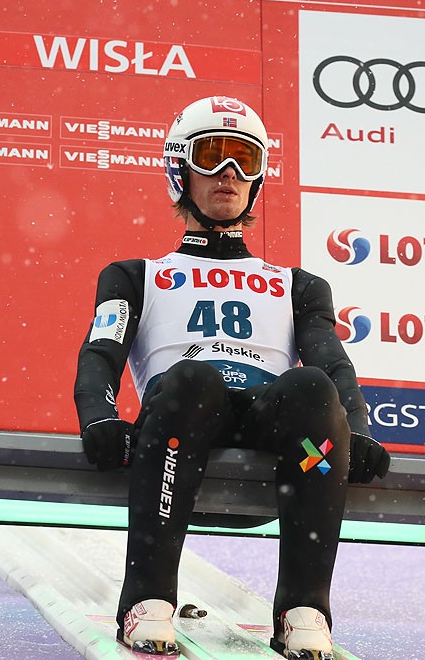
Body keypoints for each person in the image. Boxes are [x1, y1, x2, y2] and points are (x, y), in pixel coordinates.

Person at [73, 95, 390, 659]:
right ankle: (148, 600)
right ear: (179, 169)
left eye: (244, 160)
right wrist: (99, 417)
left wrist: (358, 428)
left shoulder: (298, 285)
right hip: (183, 419)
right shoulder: (135, 275)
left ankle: (303, 609)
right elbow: (101, 353)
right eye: (211, 157)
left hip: (269, 419)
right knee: (191, 380)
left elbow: (332, 362)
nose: (228, 174)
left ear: (258, 177)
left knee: (312, 388)